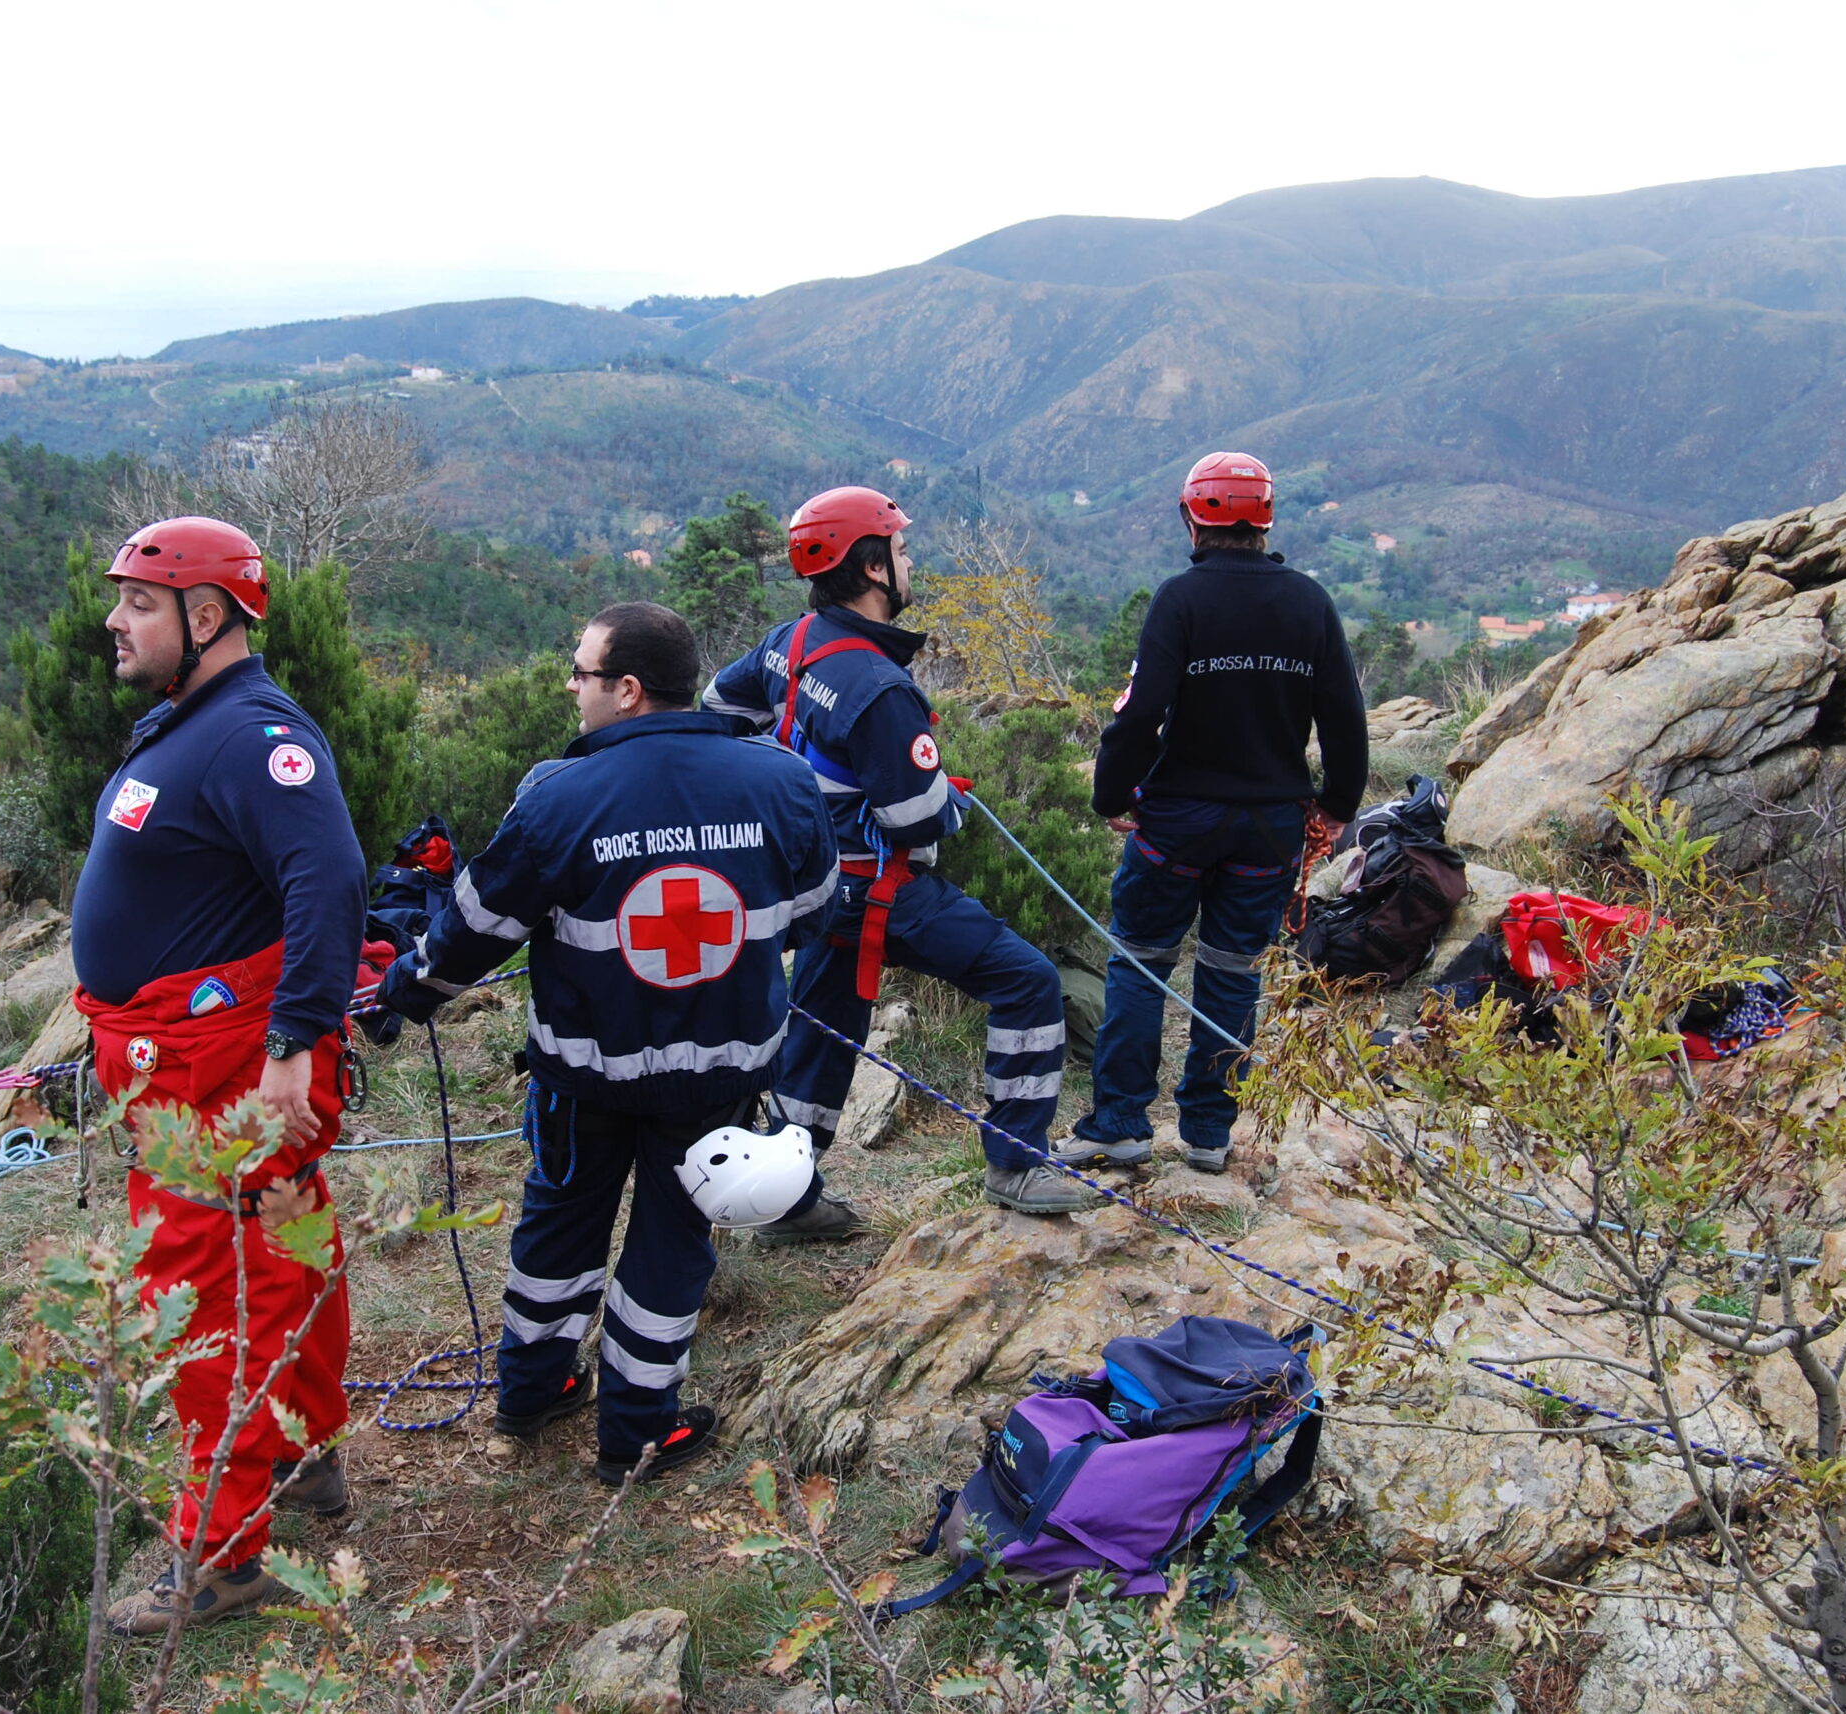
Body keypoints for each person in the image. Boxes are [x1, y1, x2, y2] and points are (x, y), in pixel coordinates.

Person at [377, 602, 836, 1484]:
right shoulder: (780, 782)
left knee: (560, 1223)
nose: (570, 685)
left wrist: (405, 996)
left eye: (581, 672)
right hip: (718, 1077)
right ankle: (636, 1433)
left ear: (627, 690)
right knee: (674, 1246)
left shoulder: (561, 795)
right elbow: (820, 916)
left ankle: (534, 1389)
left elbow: (473, 931)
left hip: (584, 1077)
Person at [67, 515, 371, 1635]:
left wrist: (293, 1044)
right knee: (287, 1250)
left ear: (207, 617)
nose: (115, 619)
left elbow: (329, 876)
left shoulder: (253, 733)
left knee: (206, 1299)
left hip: (227, 1073)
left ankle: (222, 1556)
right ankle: (301, 1464)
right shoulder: (199, 720)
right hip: (185, 1060)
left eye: (138, 603)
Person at [705, 487, 1093, 1223]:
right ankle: (1016, 1164)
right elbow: (916, 820)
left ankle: (786, 1201)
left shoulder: (790, 643)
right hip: (881, 893)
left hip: (815, 892)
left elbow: (721, 709)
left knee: (819, 1041)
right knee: (1028, 982)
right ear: (873, 566)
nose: (912, 562)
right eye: (903, 550)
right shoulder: (880, 688)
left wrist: (783, 796)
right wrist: (948, 796)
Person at [1072, 453, 1367, 1174]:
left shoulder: (1181, 600)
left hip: (1178, 819)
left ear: (1191, 516)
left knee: (1141, 962)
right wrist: (1334, 809)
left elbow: (1142, 714)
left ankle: (1120, 1124)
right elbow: (1345, 722)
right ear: (1266, 519)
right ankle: (1207, 1132)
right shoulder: (1309, 603)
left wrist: (1113, 795)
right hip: (1269, 825)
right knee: (1234, 971)